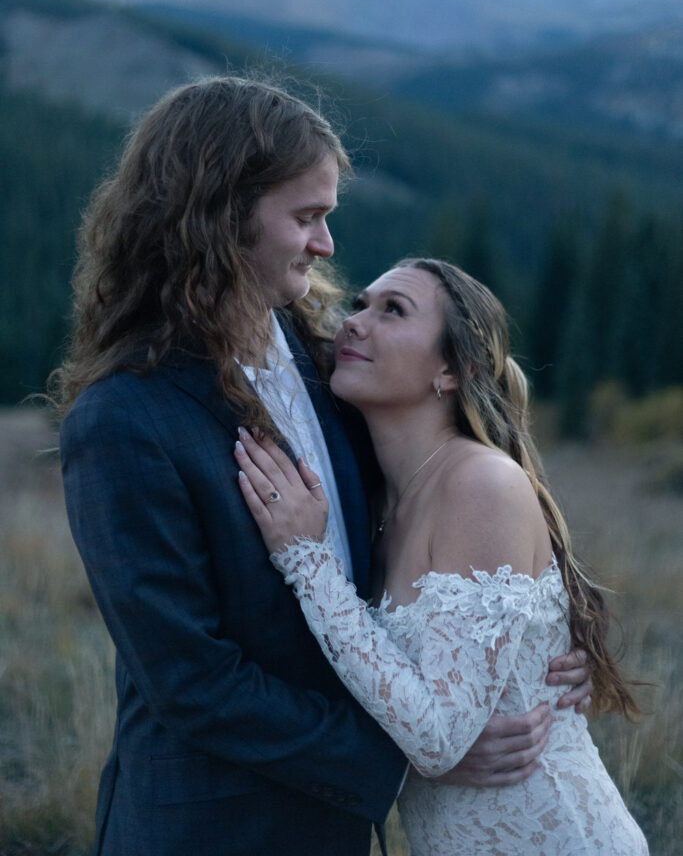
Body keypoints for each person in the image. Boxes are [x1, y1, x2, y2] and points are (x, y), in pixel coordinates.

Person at [55, 76, 590, 856]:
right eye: (306, 217)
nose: (326, 245)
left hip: (340, 832)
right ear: (218, 214)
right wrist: (405, 760)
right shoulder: (124, 418)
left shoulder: (331, 367)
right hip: (211, 828)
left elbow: (431, 532)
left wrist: (536, 650)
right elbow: (192, 682)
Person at [236, 258, 649, 855]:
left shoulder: (481, 484)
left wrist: (306, 559)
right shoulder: (381, 500)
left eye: (393, 310)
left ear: (452, 370)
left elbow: (437, 740)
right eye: (361, 304)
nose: (355, 323)